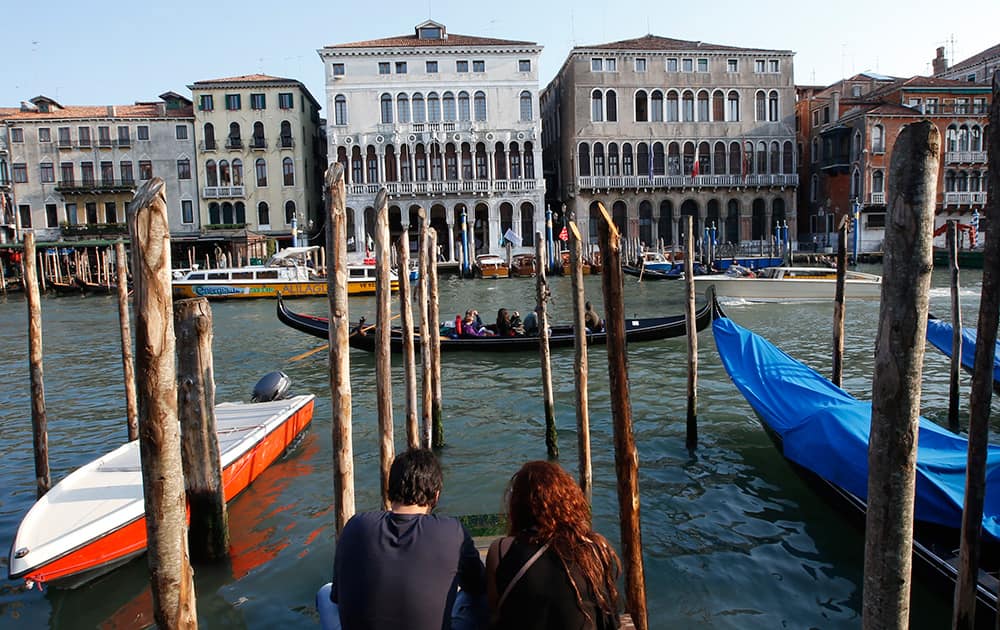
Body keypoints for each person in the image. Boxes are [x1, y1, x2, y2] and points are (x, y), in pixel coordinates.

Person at [323, 448, 487, 630]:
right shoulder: (452, 530)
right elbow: (479, 584)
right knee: (474, 599)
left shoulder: (355, 525)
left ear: (389, 490)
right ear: (436, 495)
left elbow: (336, 597)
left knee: (324, 593)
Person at [486, 461, 621, 629]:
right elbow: (611, 619)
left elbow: (494, 612)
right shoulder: (595, 549)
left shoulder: (500, 551)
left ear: (518, 505)